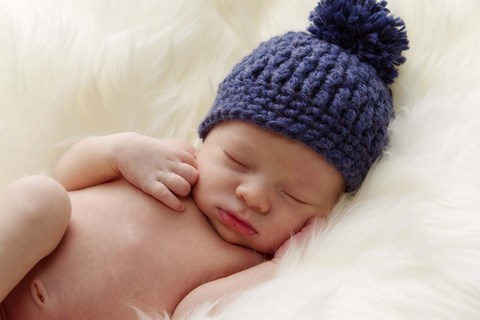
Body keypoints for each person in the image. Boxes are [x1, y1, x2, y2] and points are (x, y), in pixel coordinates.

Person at [0, 0, 409, 319]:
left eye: (294, 195)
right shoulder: (167, 166)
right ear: (206, 137)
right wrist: (118, 151)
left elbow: (193, 311)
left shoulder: (244, 260)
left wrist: (280, 269)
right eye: (237, 161)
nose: (253, 195)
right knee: (42, 197)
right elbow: (68, 175)